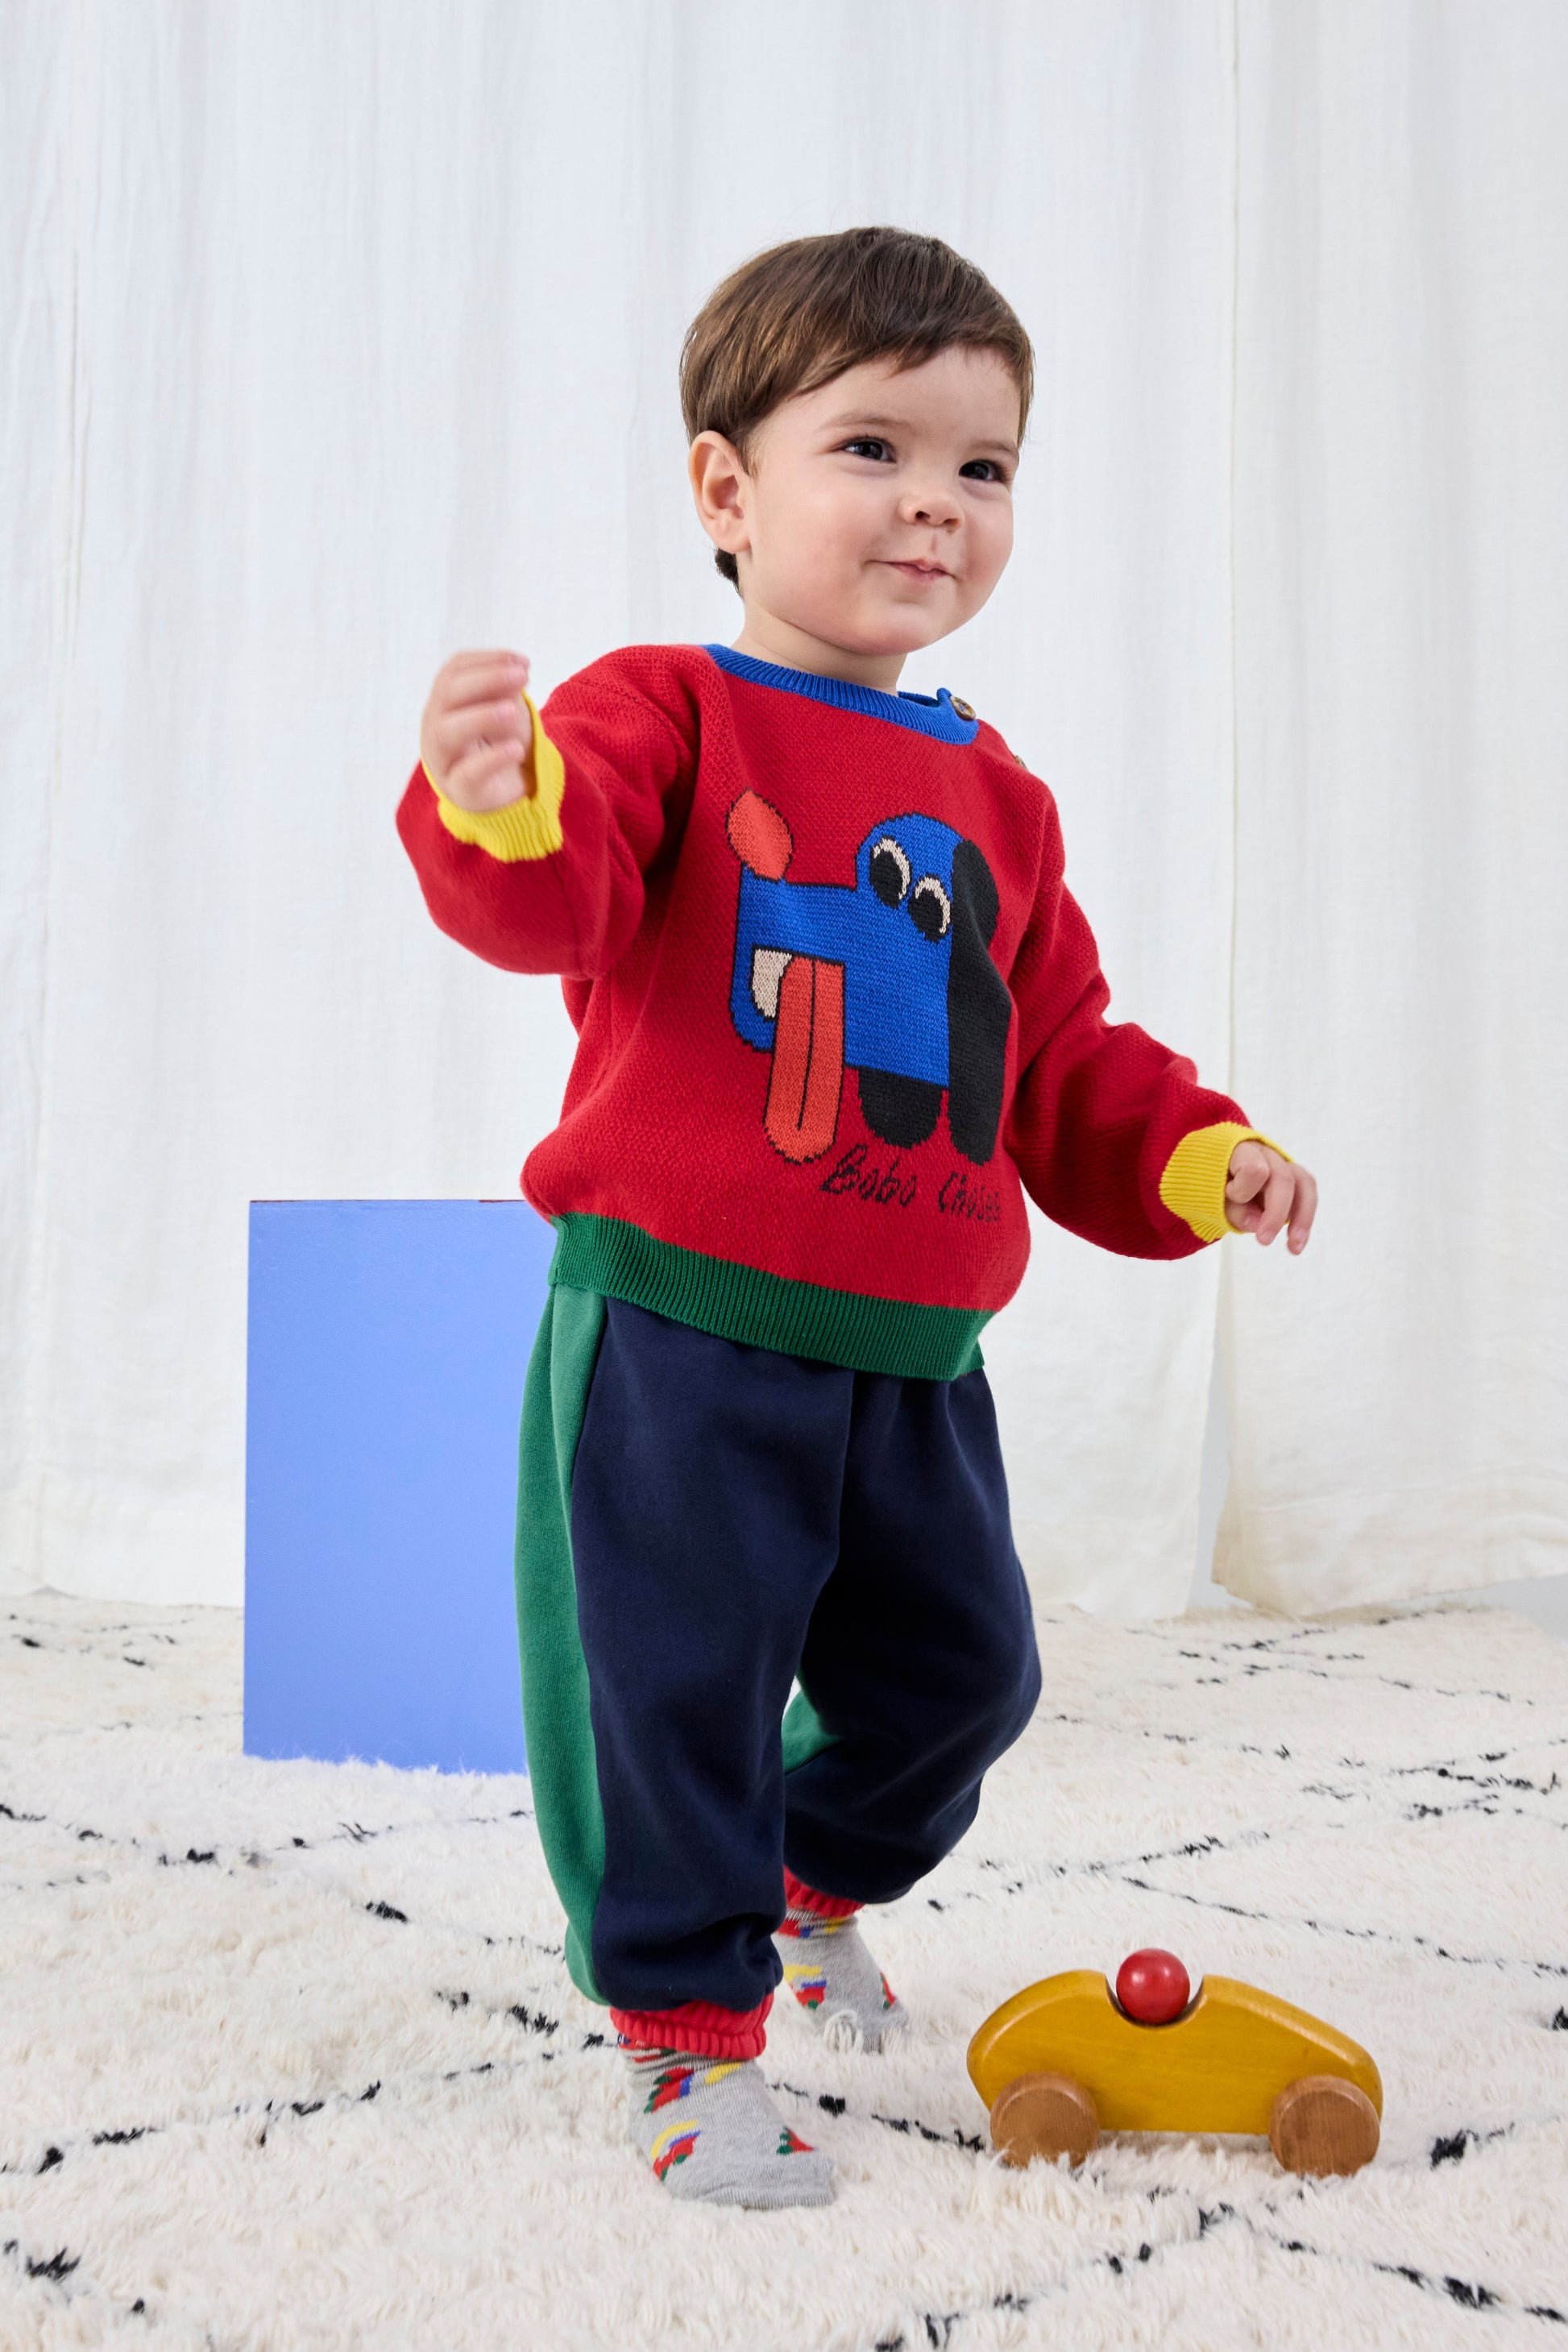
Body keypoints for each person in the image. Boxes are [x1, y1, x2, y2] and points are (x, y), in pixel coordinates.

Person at [397, 226, 1317, 2209]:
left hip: (909, 1350)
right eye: (874, 449)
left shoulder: (994, 794)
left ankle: (807, 1879)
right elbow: (551, 894)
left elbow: (1057, 1053)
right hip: (681, 1325)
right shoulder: (663, 710)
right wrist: (493, 801)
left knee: (963, 1672)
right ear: (728, 491)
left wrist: (1190, 1153)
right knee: (674, 1688)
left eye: (980, 468)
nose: (933, 503)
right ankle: (684, 2028)